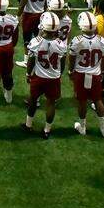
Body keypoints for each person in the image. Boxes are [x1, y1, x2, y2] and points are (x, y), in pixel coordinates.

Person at [21, 11, 66, 139]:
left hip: (39, 77)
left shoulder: (36, 42)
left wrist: (28, 73)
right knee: (51, 103)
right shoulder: (61, 44)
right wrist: (59, 74)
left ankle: (28, 124)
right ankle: (47, 130)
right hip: (53, 78)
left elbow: (31, 61)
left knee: (33, 100)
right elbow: (62, 64)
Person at [69, 12, 104, 137]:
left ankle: (82, 127)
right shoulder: (101, 40)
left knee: (82, 101)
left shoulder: (77, 41)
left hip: (81, 74)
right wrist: (102, 71)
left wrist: (70, 71)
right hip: (95, 74)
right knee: (98, 100)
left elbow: (71, 57)